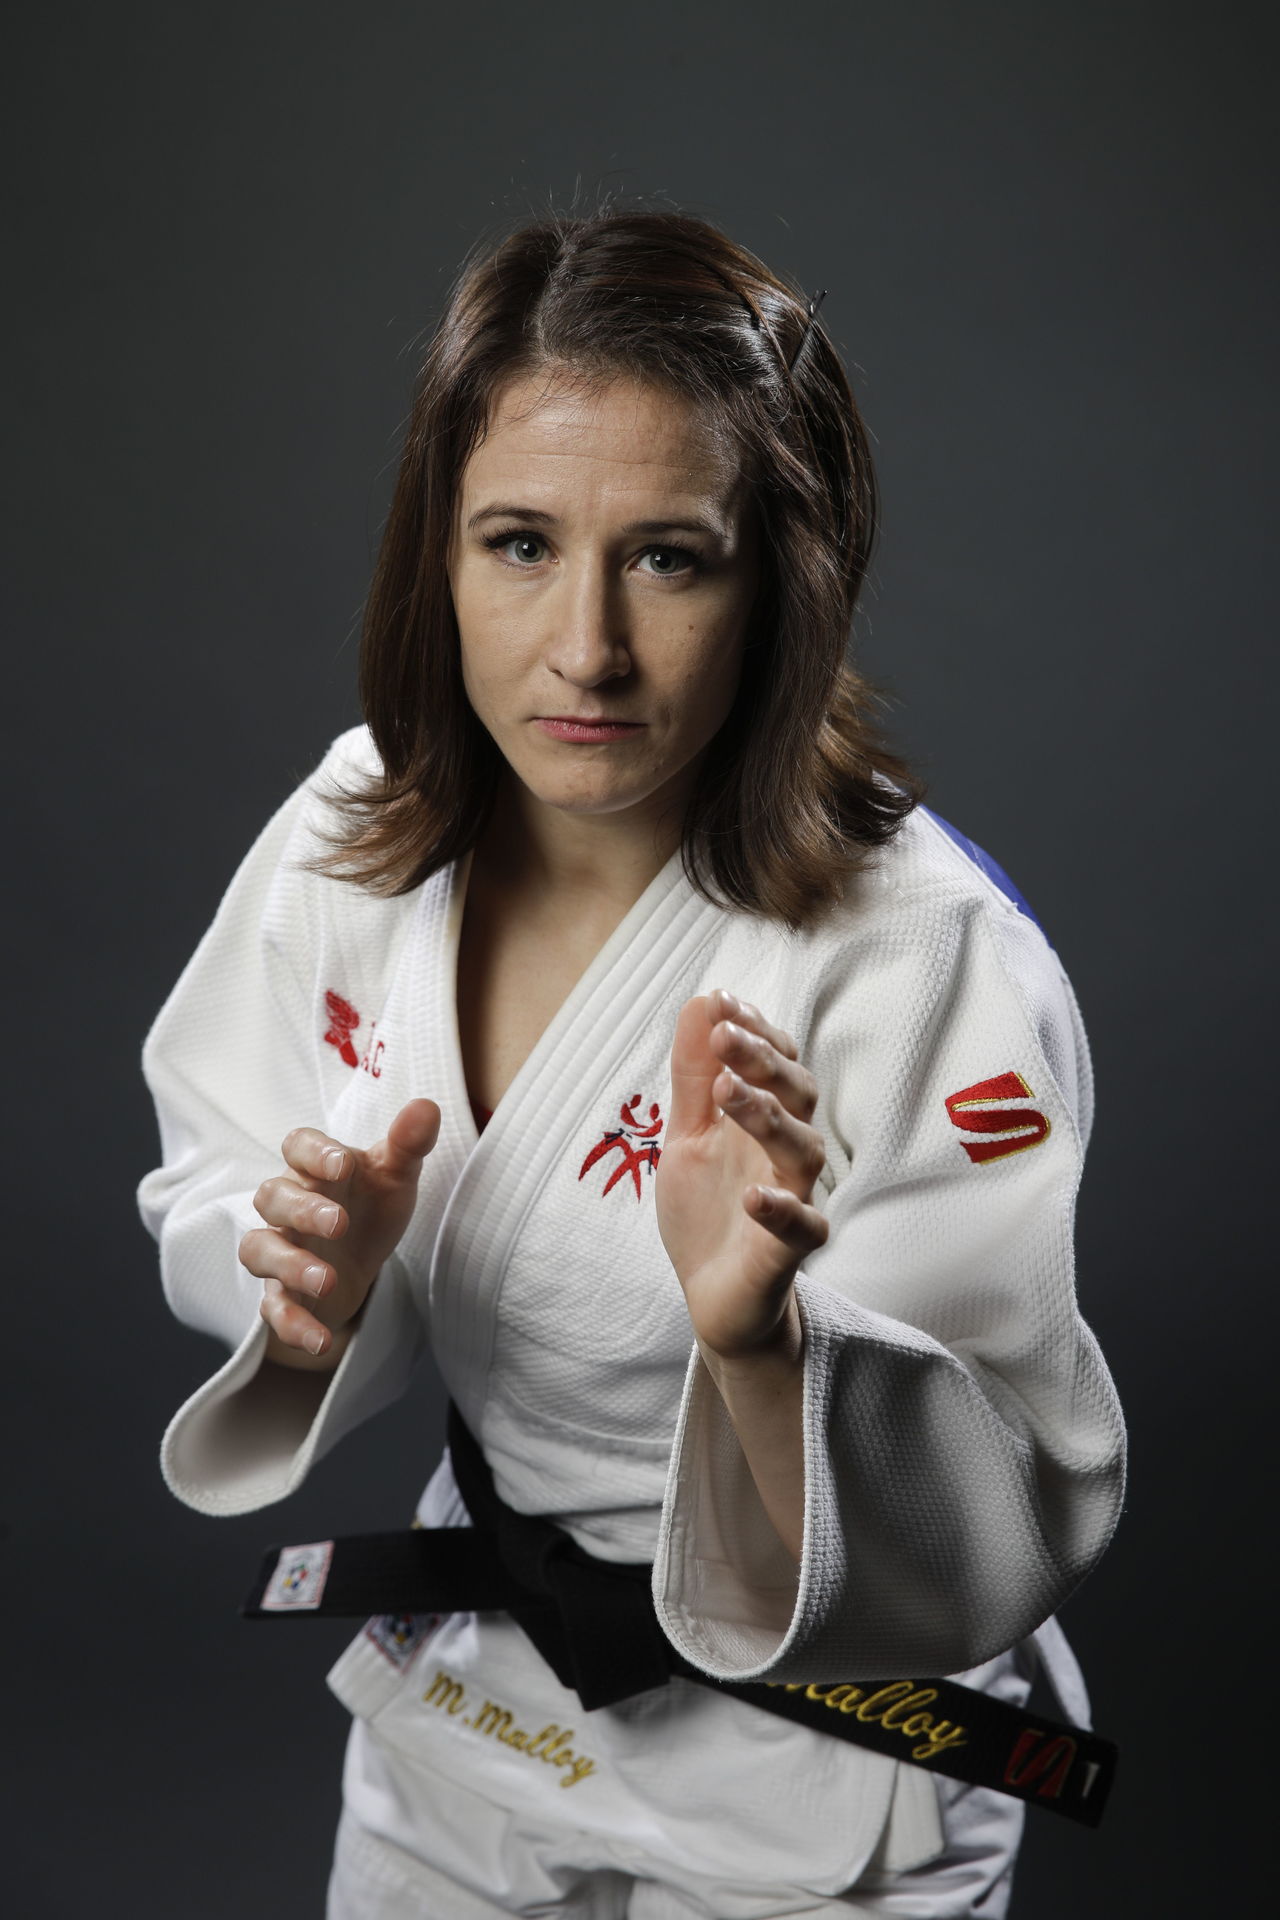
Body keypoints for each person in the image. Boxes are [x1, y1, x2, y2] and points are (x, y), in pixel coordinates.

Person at [137, 203, 1126, 1918]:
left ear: (784, 580)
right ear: (436, 553)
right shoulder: (350, 839)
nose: (582, 647)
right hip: (481, 1701)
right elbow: (215, 1164)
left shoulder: (927, 958)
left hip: (837, 1761)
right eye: (519, 542)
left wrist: (768, 1345)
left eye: (668, 557)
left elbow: (1012, 1494)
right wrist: (295, 1284)